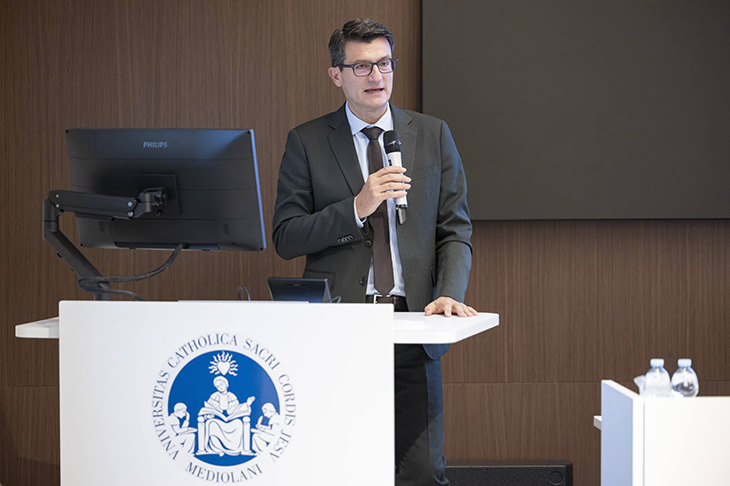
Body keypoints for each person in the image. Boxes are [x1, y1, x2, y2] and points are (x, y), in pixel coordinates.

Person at [272, 18, 476, 486]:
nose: (377, 76)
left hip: (414, 323)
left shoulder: (432, 134)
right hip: (339, 327)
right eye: (361, 67)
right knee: (339, 470)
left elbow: (455, 229)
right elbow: (286, 236)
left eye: (384, 63)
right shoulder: (307, 141)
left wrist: (448, 293)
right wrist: (356, 208)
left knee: (423, 473)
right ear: (336, 75)